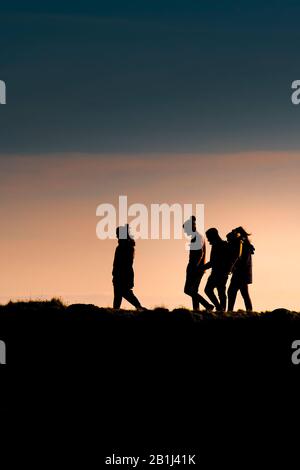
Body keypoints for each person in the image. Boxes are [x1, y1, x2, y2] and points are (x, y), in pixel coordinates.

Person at [183, 216, 214, 312]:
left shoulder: (197, 237)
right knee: (193, 291)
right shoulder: (199, 237)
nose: (185, 232)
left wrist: (194, 267)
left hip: (195, 268)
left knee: (188, 290)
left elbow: (200, 253)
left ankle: (207, 305)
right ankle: (196, 310)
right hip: (199, 268)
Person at [112, 224, 145, 310]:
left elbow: (121, 263)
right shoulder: (127, 246)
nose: (116, 236)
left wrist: (116, 273)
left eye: (118, 234)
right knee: (121, 293)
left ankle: (138, 307)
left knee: (122, 293)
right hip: (123, 274)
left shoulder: (123, 247)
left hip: (122, 275)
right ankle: (137, 307)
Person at [203, 228, 231, 312]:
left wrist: (201, 268)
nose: (208, 240)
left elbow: (213, 262)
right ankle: (222, 311)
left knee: (208, 290)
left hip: (217, 273)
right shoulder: (224, 244)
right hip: (223, 273)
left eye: (208, 237)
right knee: (221, 292)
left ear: (213, 236)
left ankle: (219, 308)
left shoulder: (217, 246)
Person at [227, 227, 254, 312]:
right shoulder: (245, 243)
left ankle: (230, 311)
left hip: (240, 273)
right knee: (244, 293)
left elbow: (239, 258)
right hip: (244, 273)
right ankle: (249, 312)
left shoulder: (241, 244)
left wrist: (232, 268)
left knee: (231, 292)